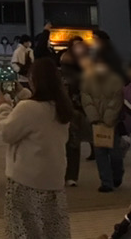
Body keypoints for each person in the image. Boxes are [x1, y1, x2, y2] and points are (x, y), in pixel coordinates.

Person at [0, 57, 72, 239]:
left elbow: (6, 132)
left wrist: (3, 108)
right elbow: (40, 110)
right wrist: (23, 94)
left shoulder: (28, 108)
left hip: (26, 182)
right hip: (54, 181)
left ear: (34, 79)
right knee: (52, 231)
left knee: (24, 231)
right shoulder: (61, 107)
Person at [81, 45, 126, 192]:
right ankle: (106, 182)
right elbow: (86, 99)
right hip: (96, 122)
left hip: (112, 122)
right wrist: (94, 117)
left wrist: (108, 118)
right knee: (100, 153)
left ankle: (117, 175)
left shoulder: (115, 79)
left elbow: (117, 100)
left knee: (115, 154)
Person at [57, 48, 86, 188]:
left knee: (73, 144)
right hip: (63, 111)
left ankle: (71, 175)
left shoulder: (80, 76)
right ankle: (65, 174)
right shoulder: (57, 75)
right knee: (63, 145)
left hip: (74, 112)